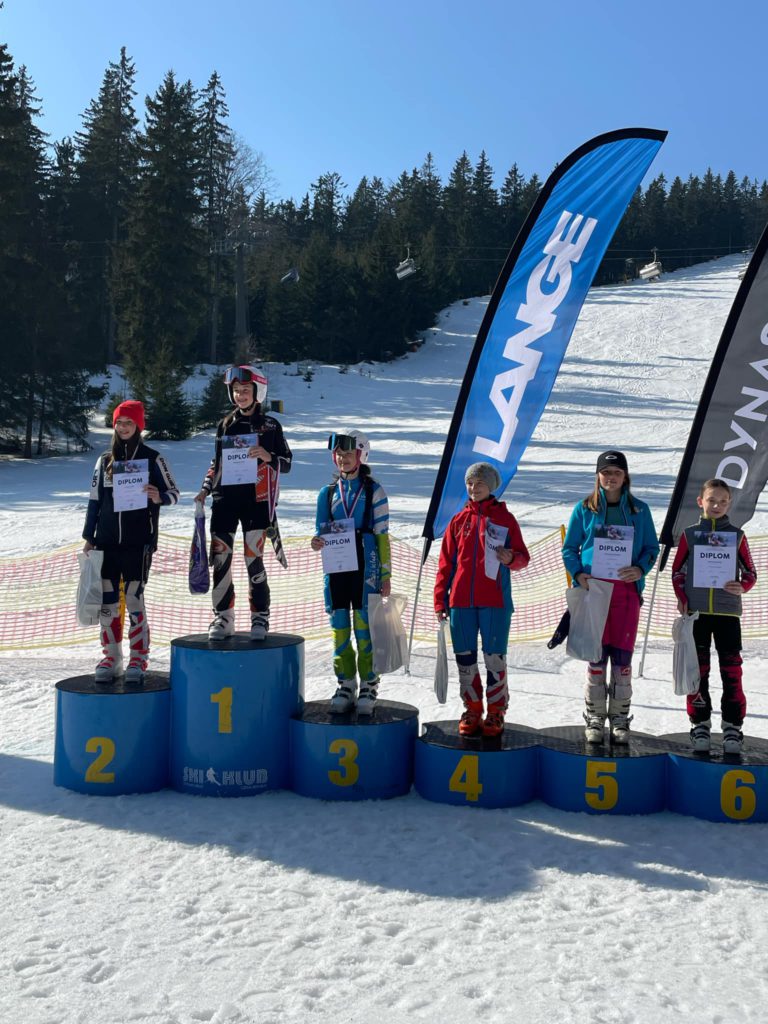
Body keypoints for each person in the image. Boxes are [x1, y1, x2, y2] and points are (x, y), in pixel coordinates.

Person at [562, 450, 659, 744]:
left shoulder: (639, 510)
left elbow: (651, 548)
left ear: (625, 476)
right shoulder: (585, 509)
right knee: (596, 656)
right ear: (598, 476)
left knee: (621, 658)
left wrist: (640, 569)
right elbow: (570, 549)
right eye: (606, 472)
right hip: (594, 592)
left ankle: (619, 718)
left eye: (617, 473)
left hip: (625, 593)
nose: (611, 478)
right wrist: (578, 574)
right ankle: (594, 716)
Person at [82, 400, 179, 683]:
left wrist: (158, 496)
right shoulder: (105, 461)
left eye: (129, 423)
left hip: (139, 541)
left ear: (139, 426)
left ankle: (139, 657)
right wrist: (89, 537)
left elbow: (174, 493)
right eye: (119, 423)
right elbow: (94, 501)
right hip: (107, 541)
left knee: (135, 598)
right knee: (108, 601)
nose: (123, 428)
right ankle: (111, 657)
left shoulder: (153, 458)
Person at [195, 365, 292, 641]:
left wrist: (267, 455)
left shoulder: (271, 426)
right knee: (221, 559)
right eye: (236, 391)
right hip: (225, 499)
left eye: (245, 390)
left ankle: (260, 615)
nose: (240, 395)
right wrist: (205, 489)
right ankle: (223, 616)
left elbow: (286, 463)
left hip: (257, 500)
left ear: (257, 392)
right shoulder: (225, 424)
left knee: (253, 559)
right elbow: (217, 463)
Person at [433, 462, 530, 737]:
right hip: (460, 601)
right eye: (470, 483)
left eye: (480, 483)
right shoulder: (458, 521)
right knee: (465, 658)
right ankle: (472, 708)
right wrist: (440, 600)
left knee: (494, 658)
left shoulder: (505, 519)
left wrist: (510, 558)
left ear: (491, 486)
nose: (474, 488)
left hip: (495, 602)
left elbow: (523, 557)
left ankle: (496, 710)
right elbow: (445, 564)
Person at [671, 478, 757, 753]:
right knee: (698, 671)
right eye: (711, 500)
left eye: (722, 501)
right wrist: (683, 598)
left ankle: (733, 727)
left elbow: (751, 572)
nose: (717, 505)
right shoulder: (690, 535)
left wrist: (742, 586)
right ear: (701, 502)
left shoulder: (737, 536)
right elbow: (677, 571)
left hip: (727, 613)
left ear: (729, 504)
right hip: (697, 614)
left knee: (731, 671)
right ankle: (700, 724)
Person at [310, 429, 391, 714]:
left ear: (360, 456)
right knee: (340, 627)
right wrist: (316, 541)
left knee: (364, 627)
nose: (342, 459)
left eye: (348, 454)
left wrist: (385, 575)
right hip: (337, 567)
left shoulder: (374, 491)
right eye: (338, 454)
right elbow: (320, 531)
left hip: (366, 565)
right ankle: (345, 682)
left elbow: (382, 536)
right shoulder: (327, 493)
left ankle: (369, 682)